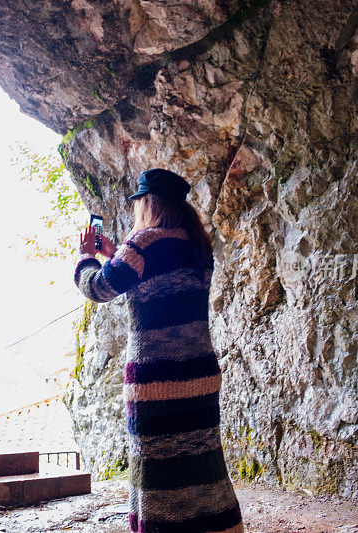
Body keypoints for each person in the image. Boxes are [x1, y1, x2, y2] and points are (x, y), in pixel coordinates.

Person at [74, 168, 245, 533]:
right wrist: (117, 251)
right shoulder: (197, 243)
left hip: (156, 378)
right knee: (202, 459)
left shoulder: (143, 243)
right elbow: (150, 271)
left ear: (148, 203)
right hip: (200, 373)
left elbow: (98, 288)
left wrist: (87, 257)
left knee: (156, 465)